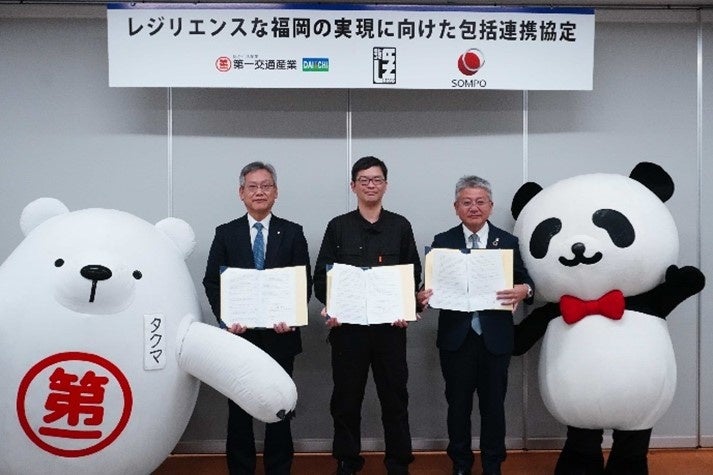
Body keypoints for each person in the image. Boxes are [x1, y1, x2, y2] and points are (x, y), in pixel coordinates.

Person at [417, 176, 534, 475]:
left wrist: (524, 290)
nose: (474, 208)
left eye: (480, 202)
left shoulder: (507, 242)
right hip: (456, 339)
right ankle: (461, 463)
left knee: (493, 406)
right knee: (458, 406)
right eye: (466, 202)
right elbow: (428, 286)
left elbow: (526, 281)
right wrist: (422, 296)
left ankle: (493, 464)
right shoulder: (443, 242)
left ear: (491, 206)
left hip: (495, 338)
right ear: (456, 207)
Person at [313, 156, 422, 475]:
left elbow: (412, 274)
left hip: (390, 329)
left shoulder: (400, 226)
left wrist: (405, 307)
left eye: (377, 180)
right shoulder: (338, 227)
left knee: (395, 399)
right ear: (353, 186)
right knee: (345, 400)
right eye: (364, 180)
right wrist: (332, 306)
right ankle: (347, 461)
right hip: (348, 330)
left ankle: (398, 463)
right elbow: (322, 277)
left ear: (386, 185)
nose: (370, 185)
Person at [203, 161, 312, 475]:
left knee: (279, 408)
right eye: (252, 186)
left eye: (266, 186)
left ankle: (279, 469)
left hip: (280, 336)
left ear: (276, 192)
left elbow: (302, 281)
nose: (259, 192)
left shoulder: (292, 232)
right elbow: (212, 281)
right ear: (241, 193)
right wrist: (227, 319)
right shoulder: (226, 233)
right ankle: (241, 470)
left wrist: (292, 316)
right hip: (240, 338)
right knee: (239, 411)